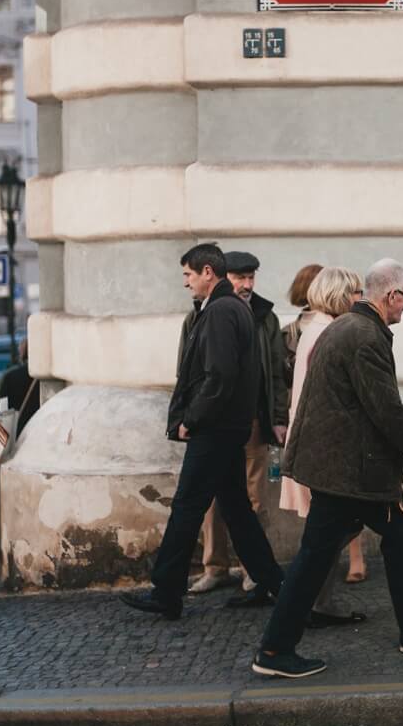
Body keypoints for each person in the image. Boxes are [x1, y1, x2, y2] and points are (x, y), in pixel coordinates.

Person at [253, 259, 403, 679]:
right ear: (391, 295)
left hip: (346, 467)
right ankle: (275, 651)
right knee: (316, 556)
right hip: (351, 472)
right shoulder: (364, 336)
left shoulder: (347, 328)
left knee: (398, 537)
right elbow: (386, 409)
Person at [120, 244, 285, 620]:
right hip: (227, 428)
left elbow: (219, 377)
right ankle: (273, 584)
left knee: (187, 507)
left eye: (188, 275)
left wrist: (191, 419)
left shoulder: (221, 312)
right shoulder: (228, 309)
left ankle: (166, 592)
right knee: (237, 510)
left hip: (215, 429)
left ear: (208, 271)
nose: (186, 283)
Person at [189, 250, 288, 604]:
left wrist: (278, 418)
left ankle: (252, 569)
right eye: (239, 278)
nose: (246, 285)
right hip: (215, 422)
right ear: (221, 276)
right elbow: (188, 371)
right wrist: (189, 416)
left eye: (251, 278)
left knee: (255, 498)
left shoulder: (265, 317)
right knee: (213, 498)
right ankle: (215, 567)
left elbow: (276, 372)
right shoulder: (200, 313)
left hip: (253, 420)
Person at [278, 266, 367, 627]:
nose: (361, 298)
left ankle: (317, 604)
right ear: (340, 296)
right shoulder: (326, 335)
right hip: (324, 449)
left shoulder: (318, 331)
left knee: (329, 532)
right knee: (330, 534)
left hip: (316, 446)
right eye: (356, 292)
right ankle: (305, 607)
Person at [0, 340, 40, 436]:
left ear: (22, 353)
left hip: (15, 433)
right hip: (39, 431)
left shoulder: (10, 376)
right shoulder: (43, 378)